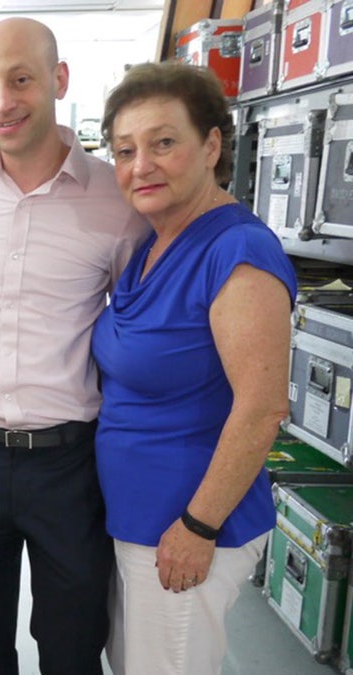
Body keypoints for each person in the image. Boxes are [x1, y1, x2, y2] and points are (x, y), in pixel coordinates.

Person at [0, 18, 148, 675]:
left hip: (70, 465)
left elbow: (136, 321)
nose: (3, 102)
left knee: (73, 645)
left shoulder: (120, 199)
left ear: (58, 80)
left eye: (21, 80)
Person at [92, 62, 296, 675]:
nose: (141, 165)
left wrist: (197, 526)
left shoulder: (237, 250)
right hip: (138, 521)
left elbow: (262, 407)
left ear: (211, 145)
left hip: (184, 528)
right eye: (125, 150)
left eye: (163, 143)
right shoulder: (156, 242)